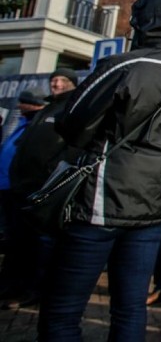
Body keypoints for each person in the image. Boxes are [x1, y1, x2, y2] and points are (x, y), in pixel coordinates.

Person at [37, 0, 161, 342]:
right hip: (154, 210)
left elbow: (72, 123)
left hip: (101, 203)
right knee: (129, 309)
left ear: (146, 21)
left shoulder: (124, 66)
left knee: (62, 310)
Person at [3, 69, 79, 309]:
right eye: (53, 80)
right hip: (20, 188)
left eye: (63, 81)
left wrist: (52, 178)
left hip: (43, 190)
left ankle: (35, 290)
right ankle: (14, 286)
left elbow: (72, 147)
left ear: (73, 85)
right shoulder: (46, 108)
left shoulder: (72, 109)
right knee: (19, 242)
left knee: (39, 245)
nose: (56, 84)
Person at [0, 89, 47, 300]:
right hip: (9, 189)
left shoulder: (38, 125)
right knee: (13, 240)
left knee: (25, 242)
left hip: (25, 190)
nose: (21, 107)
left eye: (27, 104)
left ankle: (26, 286)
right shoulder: (23, 125)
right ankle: (10, 283)